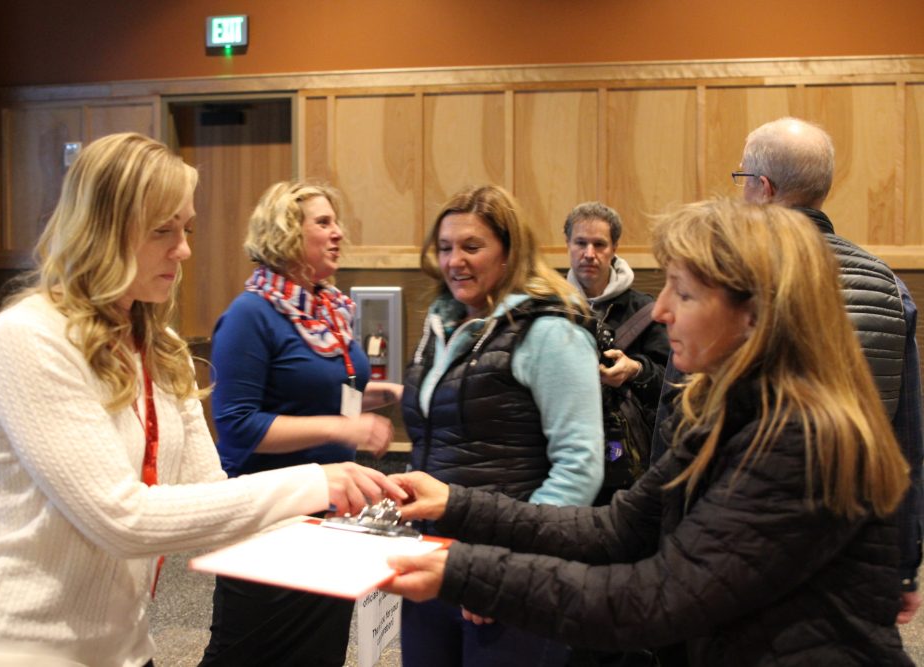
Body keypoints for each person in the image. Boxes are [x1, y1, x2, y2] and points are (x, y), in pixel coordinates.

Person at [0, 133, 404, 667]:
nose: (184, 249)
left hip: (123, 649)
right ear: (102, 229)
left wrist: (359, 537)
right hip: (17, 651)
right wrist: (316, 481)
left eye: (187, 229)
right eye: (162, 230)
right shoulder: (26, 338)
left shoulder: (160, 346)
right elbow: (122, 519)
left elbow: (212, 497)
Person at [383, 198, 913, 666]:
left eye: (683, 294)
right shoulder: (730, 412)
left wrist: (466, 571)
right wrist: (456, 503)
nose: (660, 311)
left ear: (754, 315)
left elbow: (657, 597)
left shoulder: (800, 437)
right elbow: (616, 527)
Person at [653, 117, 923, 623]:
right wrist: (904, 563)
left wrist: (658, 542)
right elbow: (904, 442)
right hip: (847, 545)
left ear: (764, 187)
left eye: (741, 179)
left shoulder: (719, 277)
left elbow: (676, 422)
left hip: (729, 547)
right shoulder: (889, 286)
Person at [400, 184, 604, 667]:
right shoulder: (443, 324)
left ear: (510, 252)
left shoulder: (551, 332)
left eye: (472, 246)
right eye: (445, 247)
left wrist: (503, 568)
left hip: (513, 571)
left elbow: (579, 465)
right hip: (434, 559)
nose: (455, 261)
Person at [199, 181, 400, 666]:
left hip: (334, 512)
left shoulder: (328, 309)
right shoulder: (250, 314)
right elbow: (238, 426)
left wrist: (383, 396)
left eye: (336, 222)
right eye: (323, 223)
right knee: (248, 652)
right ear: (286, 234)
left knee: (319, 649)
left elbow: (324, 392)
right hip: (270, 516)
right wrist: (341, 428)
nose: (338, 232)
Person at [564, 201, 669, 505]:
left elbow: (673, 382)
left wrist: (635, 369)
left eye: (599, 244)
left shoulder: (646, 310)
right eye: (580, 243)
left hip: (627, 456)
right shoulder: (549, 306)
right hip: (563, 448)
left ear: (614, 248)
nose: (589, 253)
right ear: (568, 245)